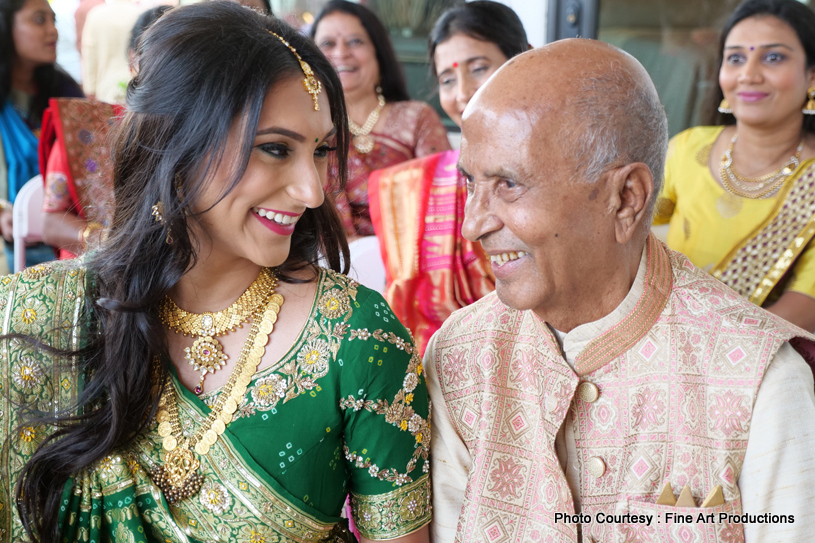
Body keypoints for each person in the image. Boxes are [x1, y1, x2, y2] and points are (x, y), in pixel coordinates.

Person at [0, 3, 430, 542]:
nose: (313, 191)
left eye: (320, 151)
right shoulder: (39, 318)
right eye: (275, 149)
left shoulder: (358, 337)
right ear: (175, 149)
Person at [426, 39, 815, 543]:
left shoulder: (760, 381)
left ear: (626, 198)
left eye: (508, 184)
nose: (472, 224)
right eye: (469, 183)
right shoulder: (462, 354)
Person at [368, 1, 528, 354]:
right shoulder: (413, 185)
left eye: (479, 68)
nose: (462, 93)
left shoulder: (560, 169)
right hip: (442, 362)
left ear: (525, 60)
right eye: (447, 79)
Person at [654, 0, 815, 332]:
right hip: (661, 346)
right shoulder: (688, 148)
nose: (748, 74)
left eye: (773, 57)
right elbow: (625, 227)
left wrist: (695, 343)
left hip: (759, 366)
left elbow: (802, 308)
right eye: (736, 58)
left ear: (811, 75)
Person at [311, 0, 450, 238]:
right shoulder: (308, 128)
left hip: (414, 259)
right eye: (328, 44)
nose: (342, 52)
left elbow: (445, 202)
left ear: (378, 51)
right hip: (331, 264)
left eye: (355, 41)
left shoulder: (416, 118)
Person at [40, 7, 169, 260]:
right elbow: (50, 223)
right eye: (162, 60)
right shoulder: (85, 128)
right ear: (134, 61)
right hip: (97, 268)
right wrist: (108, 241)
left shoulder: (200, 134)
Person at [0, 0, 83, 270]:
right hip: (16, 246)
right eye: (39, 20)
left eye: (53, 20)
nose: (53, 31)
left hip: (68, 239)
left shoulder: (65, 92)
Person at [80, 0, 141, 104]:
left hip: (105, 87)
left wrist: (90, 89)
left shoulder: (96, 15)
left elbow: (89, 55)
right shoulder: (140, 13)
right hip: (135, 86)